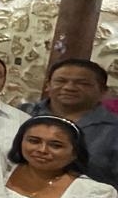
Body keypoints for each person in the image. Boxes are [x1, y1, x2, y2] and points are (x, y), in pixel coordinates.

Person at [20, 58, 118, 189]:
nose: (69, 87)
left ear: (103, 90)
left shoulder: (113, 129)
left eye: (82, 83)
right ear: (48, 85)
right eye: (61, 81)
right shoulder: (23, 113)